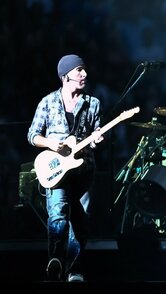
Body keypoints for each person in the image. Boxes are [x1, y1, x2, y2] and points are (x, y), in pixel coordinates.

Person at [27, 54, 103, 282]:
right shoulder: (48, 102)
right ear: (65, 75)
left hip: (83, 169)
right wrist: (50, 143)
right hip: (57, 171)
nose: (84, 74)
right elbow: (32, 135)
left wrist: (97, 139)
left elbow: (95, 135)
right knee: (58, 215)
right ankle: (56, 260)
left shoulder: (93, 103)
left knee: (80, 222)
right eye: (79, 70)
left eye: (84, 70)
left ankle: (75, 269)